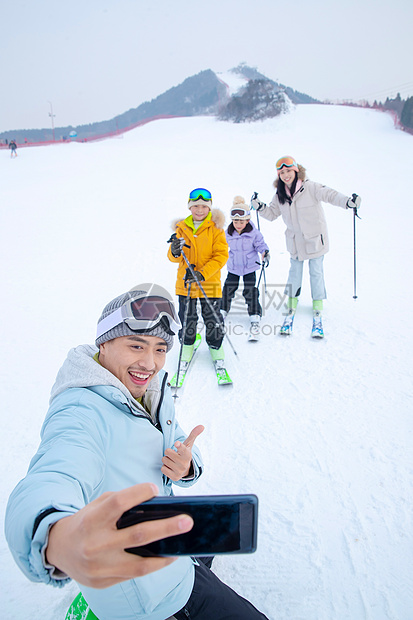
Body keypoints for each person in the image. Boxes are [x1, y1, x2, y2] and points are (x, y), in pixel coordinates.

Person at [5, 283, 267, 620]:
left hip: (167, 543)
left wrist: (186, 465)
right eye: (136, 345)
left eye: (160, 349)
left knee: (200, 539)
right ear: (104, 342)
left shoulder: (146, 389)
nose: (150, 362)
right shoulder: (81, 411)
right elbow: (54, 473)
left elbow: (175, 437)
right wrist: (56, 538)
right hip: (155, 596)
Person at [251, 156, 361, 337]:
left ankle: (317, 304)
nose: (286, 175)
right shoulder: (280, 194)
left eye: (288, 171)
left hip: (315, 239)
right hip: (295, 242)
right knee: (294, 272)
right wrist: (260, 206)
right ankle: (292, 301)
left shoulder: (310, 187)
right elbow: (271, 214)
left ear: (296, 171)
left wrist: (348, 202)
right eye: (282, 172)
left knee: (316, 271)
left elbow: (331, 195)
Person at [168, 188, 229, 379]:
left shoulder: (216, 228)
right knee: (187, 318)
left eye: (204, 206)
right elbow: (174, 258)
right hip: (185, 284)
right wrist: (175, 250)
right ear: (190, 207)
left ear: (209, 207)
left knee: (212, 317)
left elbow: (221, 256)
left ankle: (215, 347)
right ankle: (188, 345)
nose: (200, 210)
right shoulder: (181, 228)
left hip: (209, 283)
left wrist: (202, 274)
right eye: (195, 206)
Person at [221, 196, 270, 338]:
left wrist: (265, 253)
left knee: (250, 291)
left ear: (247, 220)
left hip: (249, 267)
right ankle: (223, 309)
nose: (238, 224)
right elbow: (221, 246)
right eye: (235, 221)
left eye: (241, 221)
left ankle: (255, 313)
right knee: (228, 289)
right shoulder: (228, 233)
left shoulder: (254, 233)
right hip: (234, 266)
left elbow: (261, 244)